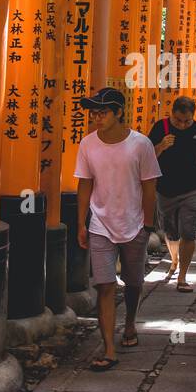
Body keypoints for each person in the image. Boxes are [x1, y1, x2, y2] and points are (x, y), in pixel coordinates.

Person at [74, 87, 162, 372]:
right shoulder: (87, 144)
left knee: (133, 281)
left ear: (119, 112)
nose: (97, 117)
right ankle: (109, 348)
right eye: (94, 112)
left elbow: (149, 186)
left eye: (103, 112)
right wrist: (81, 222)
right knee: (104, 285)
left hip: (134, 222)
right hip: (100, 221)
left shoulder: (141, 145)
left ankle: (131, 321)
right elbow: (84, 183)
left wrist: (148, 224)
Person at [147, 95, 196, 293]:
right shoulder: (161, 128)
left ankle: (183, 276)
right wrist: (161, 146)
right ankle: (174, 260)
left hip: (192, 188)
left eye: (187, 121)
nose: (183, 125)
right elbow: (145, 157)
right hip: (165, 189)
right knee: (170, 231)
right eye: (178, 120)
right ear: (171, 114)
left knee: (188, 232)